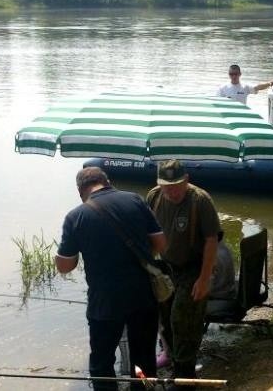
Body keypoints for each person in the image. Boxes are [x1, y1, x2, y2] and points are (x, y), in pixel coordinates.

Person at [55, 167, 166, 391]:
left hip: (105, 303)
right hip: (142, 296)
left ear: (80, 191)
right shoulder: (135, 200)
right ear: (107, 181)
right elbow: (161, 244)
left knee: (102, 362)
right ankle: (143, 387)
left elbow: (65, 266)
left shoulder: (76, 216)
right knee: (143, 357)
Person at [146, 159, 221, 390]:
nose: (172, 191)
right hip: (166, 267)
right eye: (167, 186)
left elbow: (211, 240)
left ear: (186, 180)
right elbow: (147, 231)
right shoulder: (154, 197)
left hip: (194, 266)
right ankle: (172, 358)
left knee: (183, 319)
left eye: (177, 185)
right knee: (165, 319)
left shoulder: (200, 200)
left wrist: (204, 278)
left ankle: (186, 377)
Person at [156, 230, 236, 369]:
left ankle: (169, 353)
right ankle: (171, 347)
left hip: (219, 299)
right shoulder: (222, 247)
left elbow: (200, 288)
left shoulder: (211, 257)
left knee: (164, 307)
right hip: (227, 292)